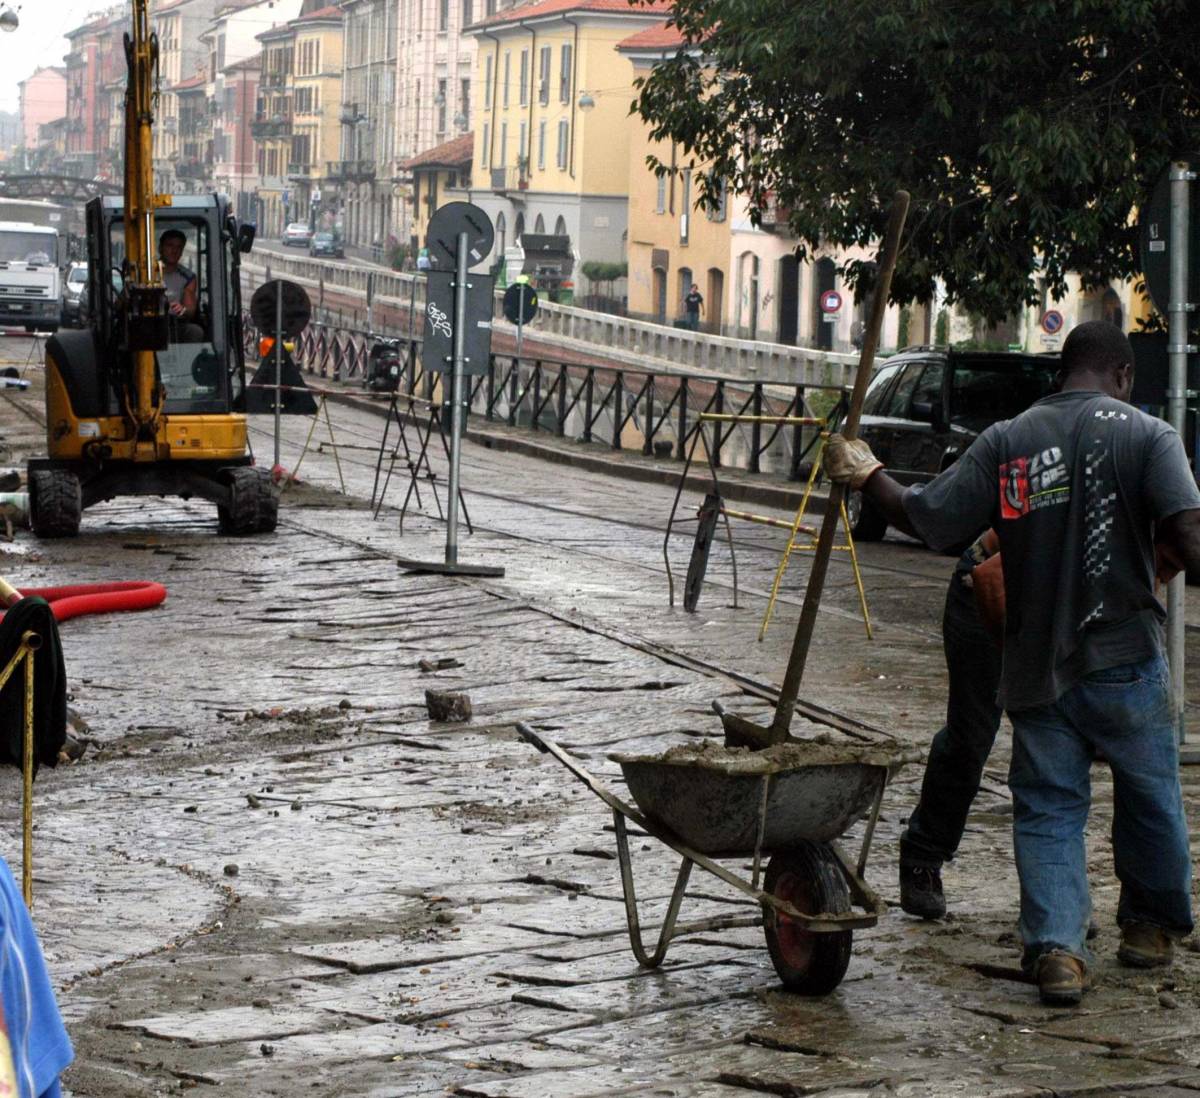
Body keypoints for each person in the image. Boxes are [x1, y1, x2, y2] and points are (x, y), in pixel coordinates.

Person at [824, 321, 1200, 1007]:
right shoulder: (1149, 436)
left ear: (1063, 372)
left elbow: (929, 519)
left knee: (1050, 807)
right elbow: (1187, 535)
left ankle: (1058, 949)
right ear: (1121, 374)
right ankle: (1148, 928)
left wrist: (867, 472)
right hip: (1125, 659)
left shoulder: (1007, 440)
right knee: (1151, 797)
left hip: (1037, 663)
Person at [898, 530, 1003, 920]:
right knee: (971, 735)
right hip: (991, 582)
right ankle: (923, 853)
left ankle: (1060, 894)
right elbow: (934, 515)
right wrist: (869, 478)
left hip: (1063, 594)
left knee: (1054, 747)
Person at [158, 229, 202, 342]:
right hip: (148, 324)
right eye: (170, 245)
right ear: (160, 248)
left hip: (175, 326)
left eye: (179, 247)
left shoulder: (188, 277)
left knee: (195, 331)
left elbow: (190, 310)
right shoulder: (145, 272)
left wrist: (182, 310)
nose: (174, 251)